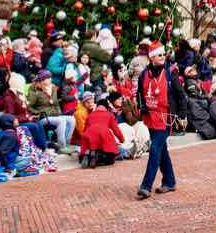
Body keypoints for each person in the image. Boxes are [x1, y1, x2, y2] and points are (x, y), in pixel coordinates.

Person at [136, 43, 186, 200]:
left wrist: (182, 115)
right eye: (159, 55)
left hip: (165, 118)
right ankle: (169, 181)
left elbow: (181, 95)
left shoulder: (170, 73)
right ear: (151, 57)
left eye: (163, 54)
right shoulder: (144, 74)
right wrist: (141, 106)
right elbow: (139, 93)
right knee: (161, 150)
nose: (163, 57)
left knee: (155, 149)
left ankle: (146, 186)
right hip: (150, 116)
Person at [27, 69, 76, 154]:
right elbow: (29, 106)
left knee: (71, 119)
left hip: (54, 115)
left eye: (50, 77)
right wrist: (38, 113)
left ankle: (66, 144)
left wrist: (59, 113)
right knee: (61, 120)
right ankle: (62, 146)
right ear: (42, 79)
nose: (50, 79)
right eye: (48, 78)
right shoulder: (34, 90)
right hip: (43, 117)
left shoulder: (53, 88)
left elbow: (56, 104)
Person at [80, 94, 125, 168]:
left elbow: (85, 130)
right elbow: (116, 129)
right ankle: (97, 158)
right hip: (103, 134)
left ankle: (89, 155)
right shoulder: (109, 115)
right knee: (110, 159)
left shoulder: (90, 115)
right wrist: (122, 139)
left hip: (89, 135)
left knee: (93, 144)